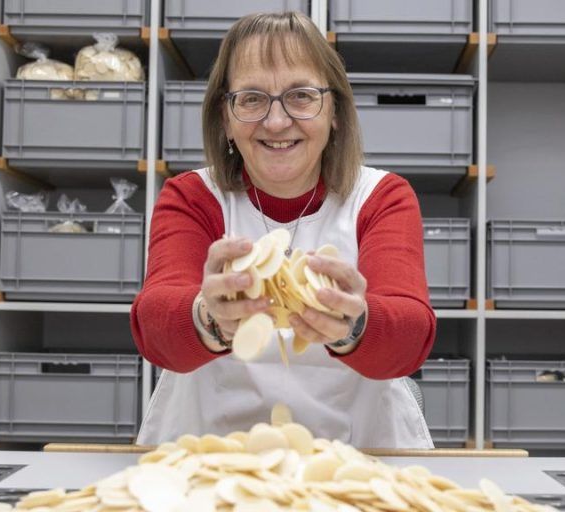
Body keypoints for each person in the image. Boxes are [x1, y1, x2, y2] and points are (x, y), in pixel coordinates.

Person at [130, 11, 436, 448]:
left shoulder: (381, 197)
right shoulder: (192, 197)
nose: (276, 122)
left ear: (334, 112)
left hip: (360, 452)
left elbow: (410, 339)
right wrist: (208, 316)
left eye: (301, 96)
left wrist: (354, 324)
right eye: (252, 99)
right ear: (225, 117)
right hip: (208, 454)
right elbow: (154, 328)